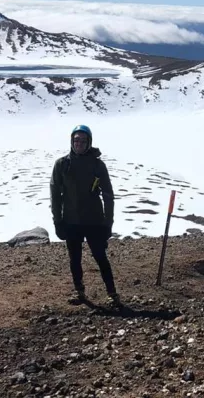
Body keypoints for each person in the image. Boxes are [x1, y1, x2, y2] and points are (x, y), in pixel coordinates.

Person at [50, 124, 121, 307]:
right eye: (76, 140)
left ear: (89, 142)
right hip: (71, 221)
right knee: (75, 258)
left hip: (94, 221)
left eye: (83, 140)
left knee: (100, 257)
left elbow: (108, 196)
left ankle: (112, 294)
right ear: (71, 141)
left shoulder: (98, 165)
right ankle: (80, 291)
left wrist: (108, 223)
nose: (79, 143)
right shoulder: (62, 164)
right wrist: (58, 221)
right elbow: (55, 195)